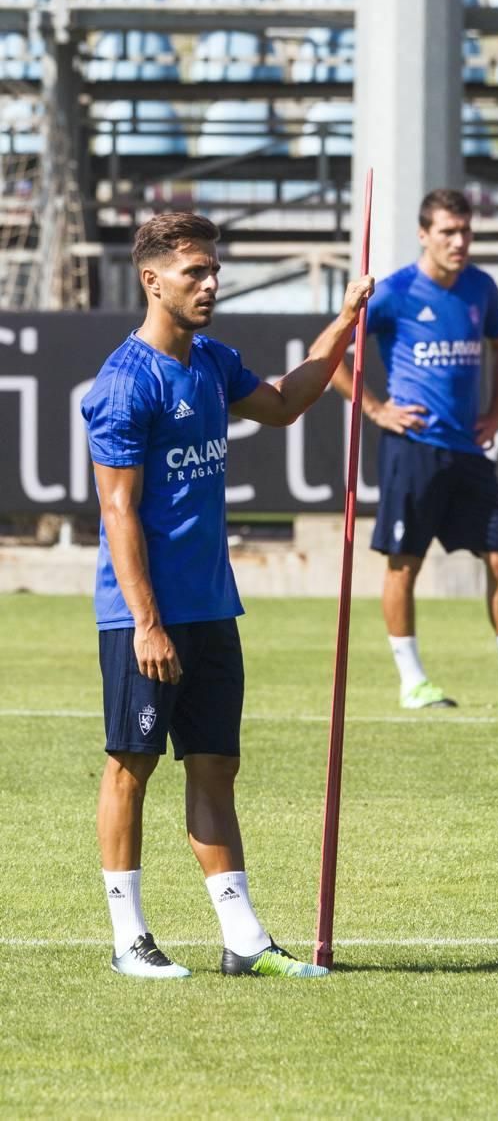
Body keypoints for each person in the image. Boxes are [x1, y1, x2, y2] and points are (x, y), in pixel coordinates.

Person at [81, 211, 373, 979]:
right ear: (152, 280)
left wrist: (343, 324)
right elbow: (117, 513)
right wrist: (147, 622)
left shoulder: (210, 362)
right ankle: (129, 939)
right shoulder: (123, 384)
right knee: (130, 767)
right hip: (145, 617)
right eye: (194, 273)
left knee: (214, 766)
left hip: (213, 607)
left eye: (214, 270)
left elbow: (281, 403)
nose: (211, 284)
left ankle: (243, 940)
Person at [332, 188, 498, 711]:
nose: (459, 242)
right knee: (404, 565)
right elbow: (326, 354)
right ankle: (413, 682)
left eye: (466, 231)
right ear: (424, 235)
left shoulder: (481, 288)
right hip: (412, 447)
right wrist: (376, 409)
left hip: (467, 449)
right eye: (448, 232)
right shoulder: (393, 292)